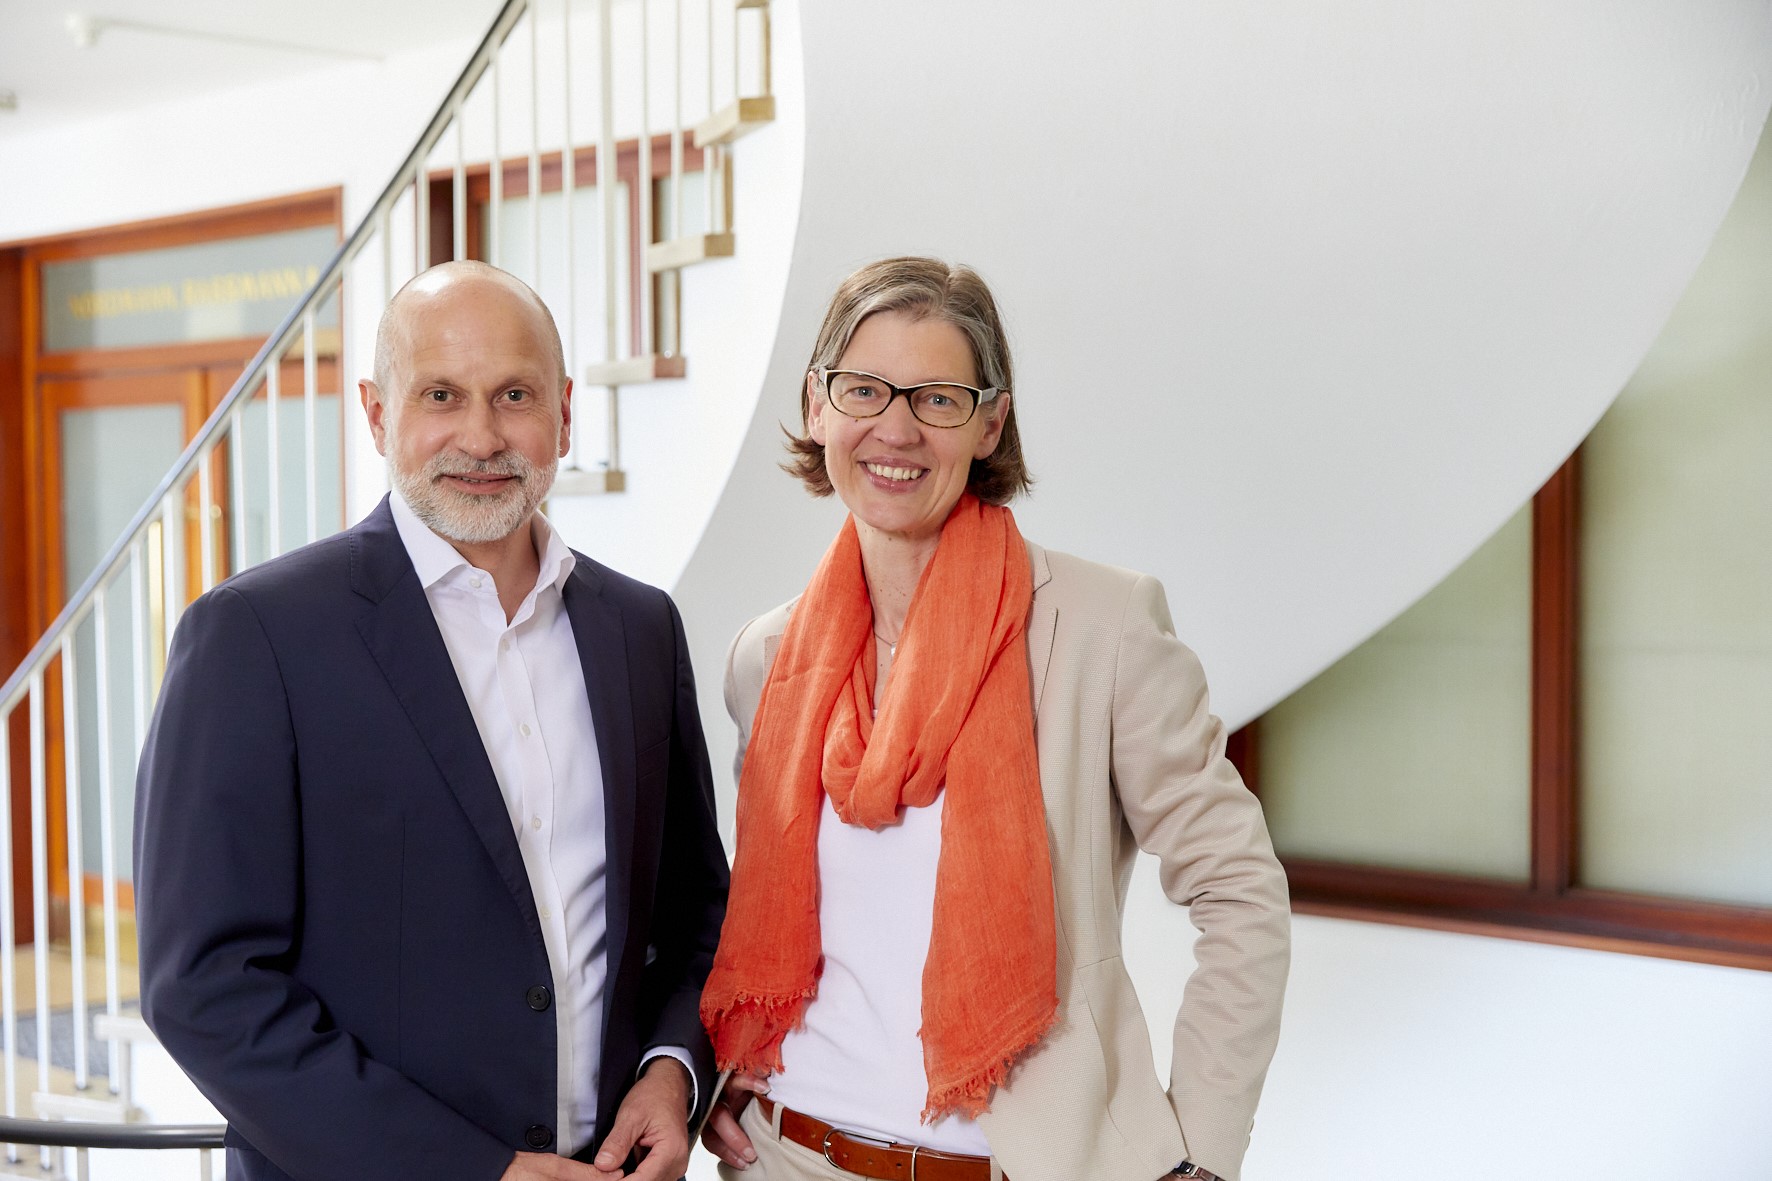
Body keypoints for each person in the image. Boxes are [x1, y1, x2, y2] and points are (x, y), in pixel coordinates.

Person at [134, 260, 729, 1181]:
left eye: (515, 394)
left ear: (565, 413)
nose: (481, 437)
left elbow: (695, 914)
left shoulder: (640, 629)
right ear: (377, 414)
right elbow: (202, 988)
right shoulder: (256, 636)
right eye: (441, 394)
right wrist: (475, 1169)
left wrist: (671, 1070)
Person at [697, 258, 1289, 1181]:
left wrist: (1204, 1155)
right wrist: (728, 1059)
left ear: (990, 422)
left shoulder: (1100, 629)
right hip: (782, 1154)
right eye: (864, 389)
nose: (896, 428)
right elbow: (758, 909)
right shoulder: (766, 657)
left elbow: (1240, 887)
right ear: (818, 406)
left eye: (938, 398)